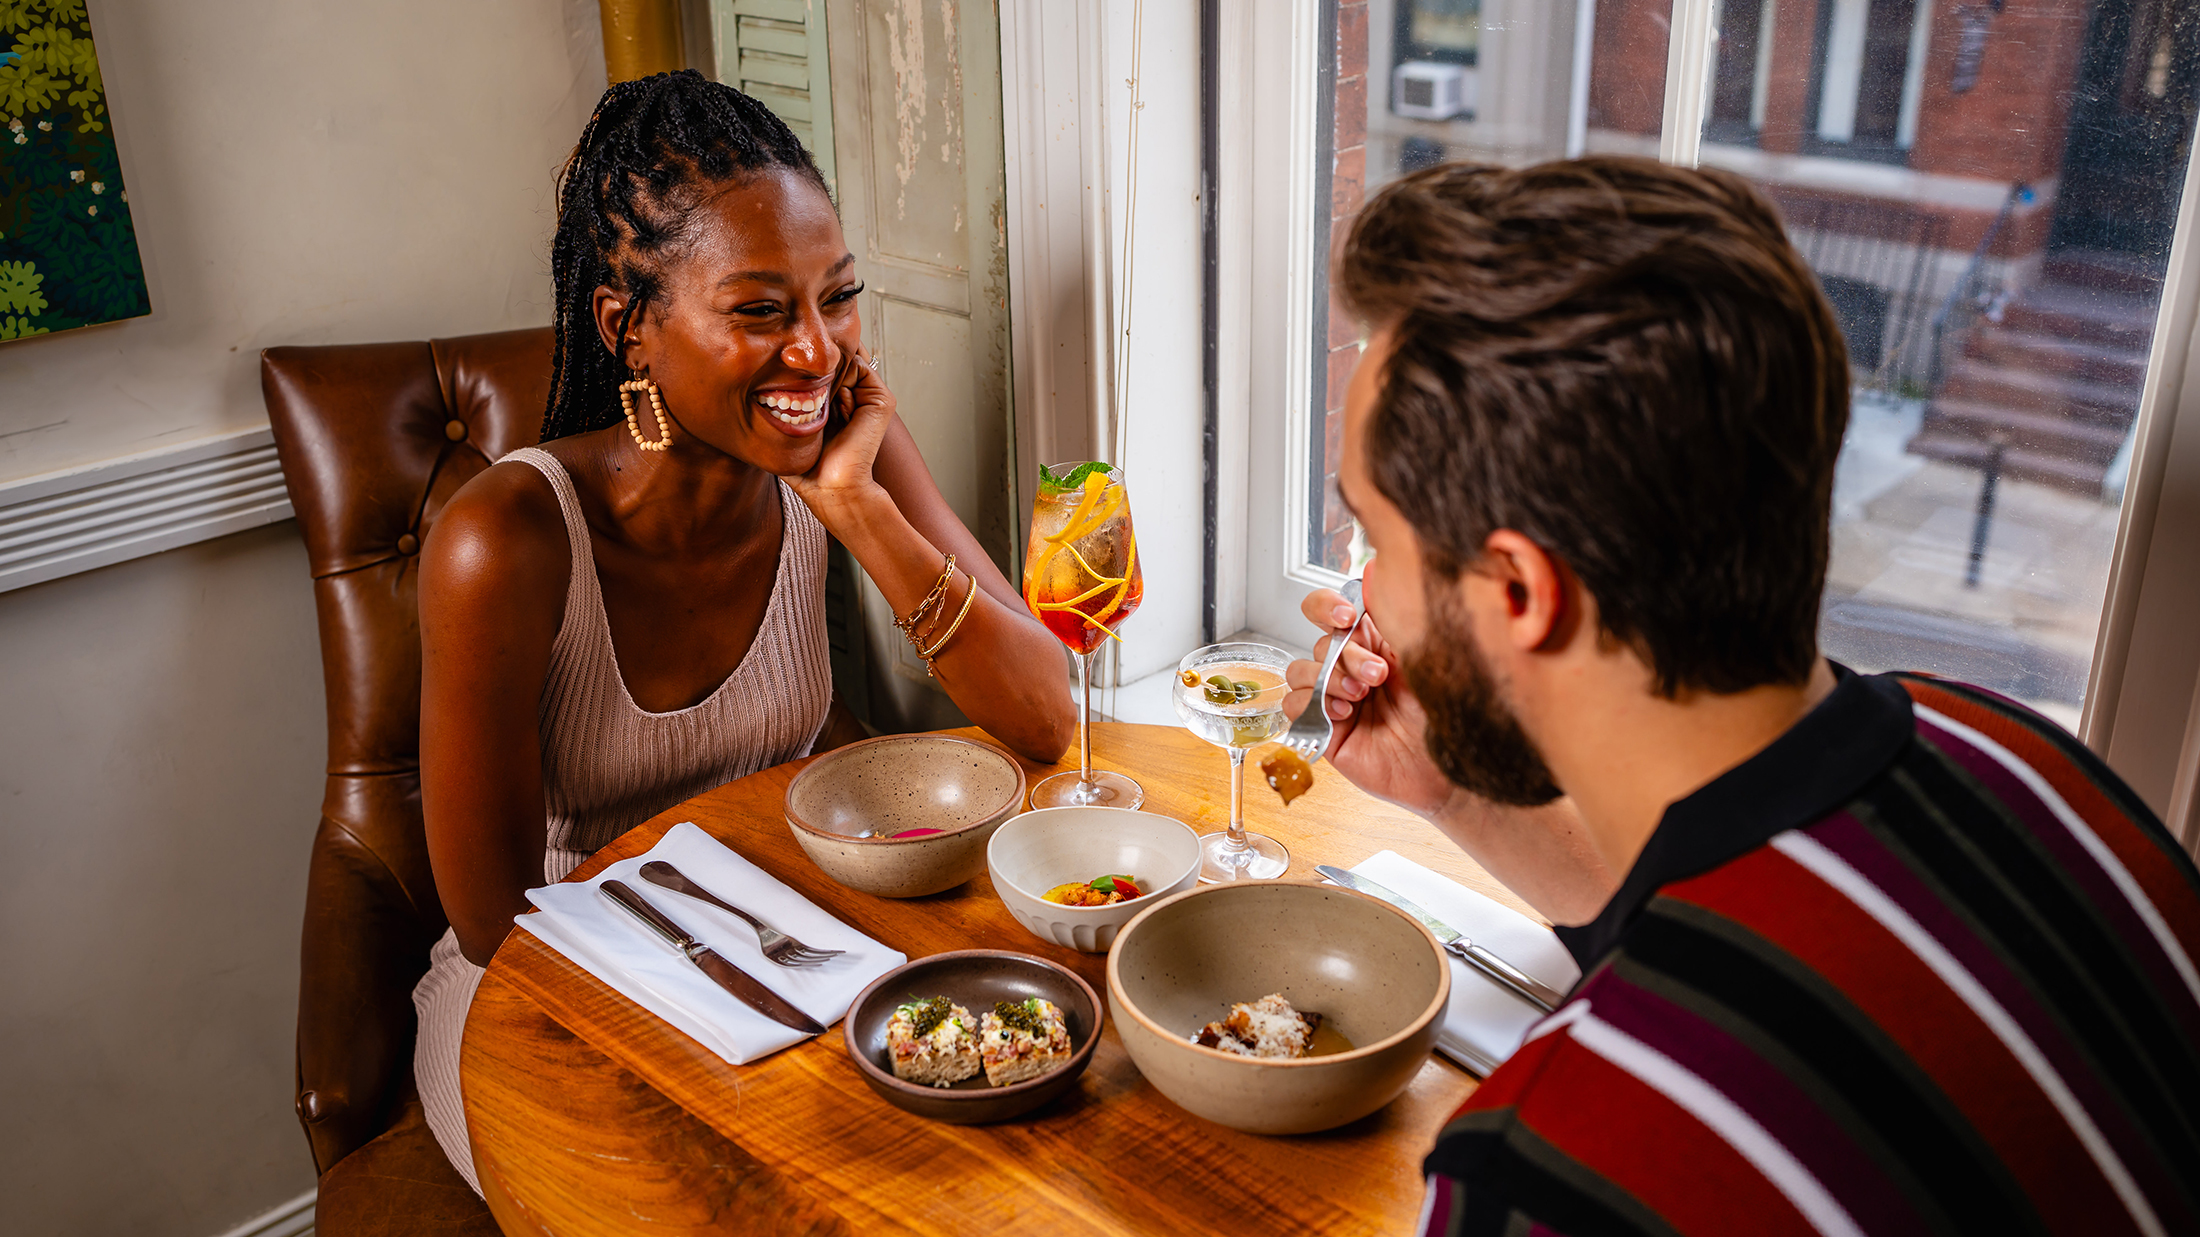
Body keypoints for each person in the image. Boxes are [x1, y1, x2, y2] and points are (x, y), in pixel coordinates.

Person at [1289, 156, 2200, 1235]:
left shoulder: (1554, 1174)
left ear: (1522, 592)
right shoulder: (2022, 759)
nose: (1362, 584)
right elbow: (1729, 919)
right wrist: (1457, 794)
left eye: (1375, 538)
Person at [412, 72, 1074, 1192]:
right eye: (760, 310)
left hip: (789, 954)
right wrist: (744, 1026)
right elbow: (495, 927)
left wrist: (862, 510)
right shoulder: (504, 539)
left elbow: (1047, 715)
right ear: (629, 327)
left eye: (838, 295)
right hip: (549, 993)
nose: (817, 352)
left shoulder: (840, 445)